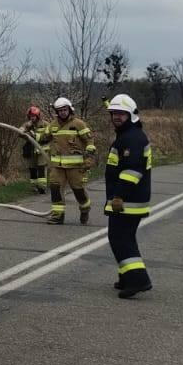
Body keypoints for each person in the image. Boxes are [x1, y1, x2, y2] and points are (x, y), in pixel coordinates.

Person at [104, 93, 153, 298]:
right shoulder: (128, 135)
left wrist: (118, 197)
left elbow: (132, 171)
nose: (116, 117)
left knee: (119, 238)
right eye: (114, 113)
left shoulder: (132, 138)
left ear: (131, 115)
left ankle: (139, 280)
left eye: (121, 113)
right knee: (124, 237)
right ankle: (126, 276)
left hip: (127, 201)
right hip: (129, 199)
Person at [37, 96, 95, 225]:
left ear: (70, 109)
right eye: (60, 110)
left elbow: (89, 140)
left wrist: (89, 154)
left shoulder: (78, 124)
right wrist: (28, 133)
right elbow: (43, 138)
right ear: (57, 112)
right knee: (55, 189)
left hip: (76, 166)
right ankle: (58, 216)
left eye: (65, 110)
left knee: (78, 190)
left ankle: (85, 209)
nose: (63, 112)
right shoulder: (53, 125)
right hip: (57, 166)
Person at [19, 105, 48, 194]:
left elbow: (48, 136)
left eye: (34, 116)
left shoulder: (45, 124)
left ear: (38, 116)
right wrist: (24, 129)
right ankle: (34, 186)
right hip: (31, 150)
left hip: (42, 150)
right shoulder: (27, 124)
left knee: (41, 168)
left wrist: (35, 136)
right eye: (31, 116)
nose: (32, 118)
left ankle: (42, 187)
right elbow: (19, 132)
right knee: (32, 168)